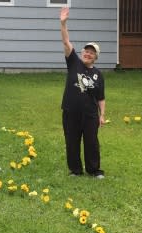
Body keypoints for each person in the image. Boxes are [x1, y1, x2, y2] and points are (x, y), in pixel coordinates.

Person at [59, 7, 106, 178]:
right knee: (71, 141)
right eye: (86, 51)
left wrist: (102, 115)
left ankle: (94, 170)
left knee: (92, 142)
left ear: (95, 57)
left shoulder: (98, 75)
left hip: (90, 114)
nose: (88, 53)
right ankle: (75, 170)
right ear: (82, 53)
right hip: (71, 112)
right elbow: (66, 42)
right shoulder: (74, 63)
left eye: (92, 53)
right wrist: (63, 23)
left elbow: (101, 97)